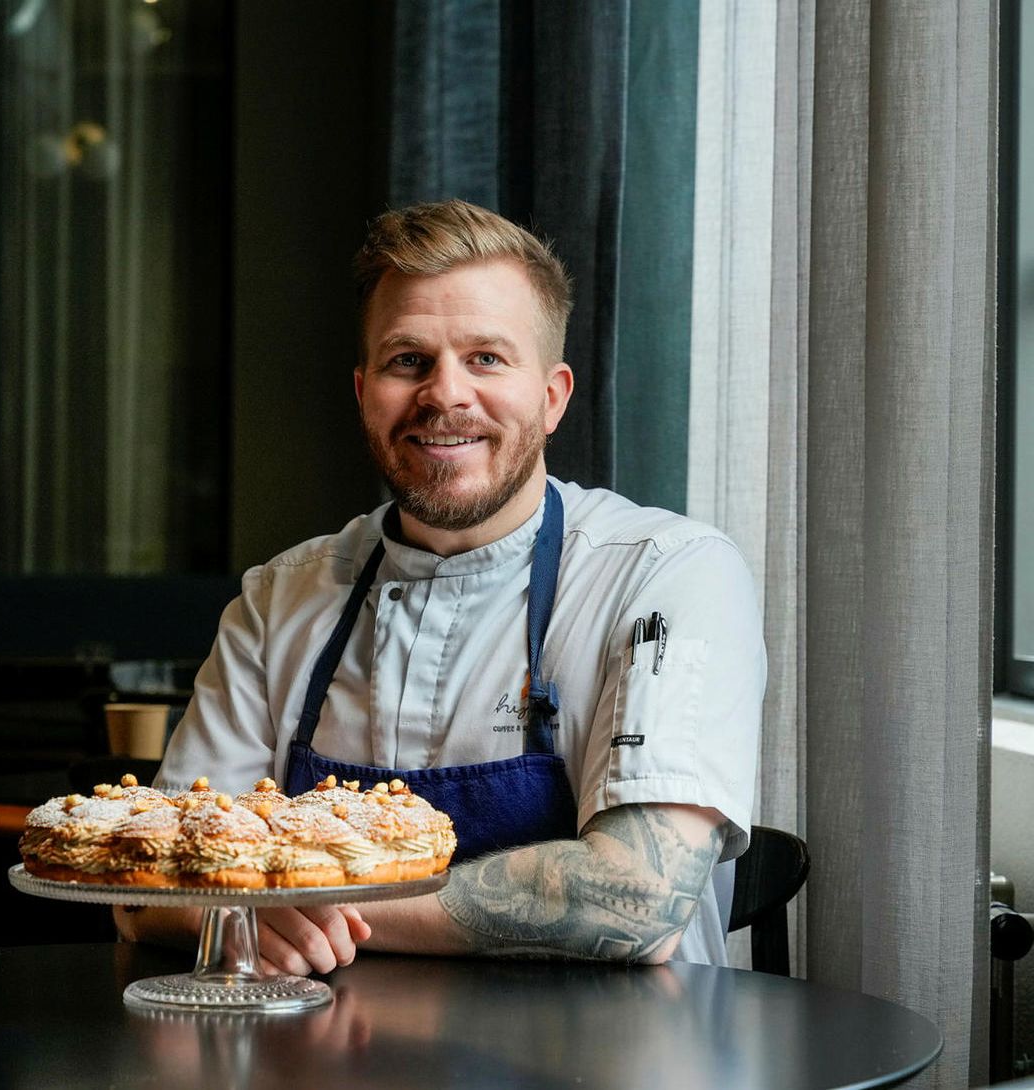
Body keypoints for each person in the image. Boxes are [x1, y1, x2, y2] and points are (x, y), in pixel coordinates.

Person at [115, 199, 764, 971]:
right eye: (407, 361)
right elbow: (147, 876)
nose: (445, 395)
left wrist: (292, 901)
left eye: (486, 358)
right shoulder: (280, 601)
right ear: (363, 393)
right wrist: (216, 912)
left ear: (553, 397)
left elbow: (637, 899)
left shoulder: (667, 572)